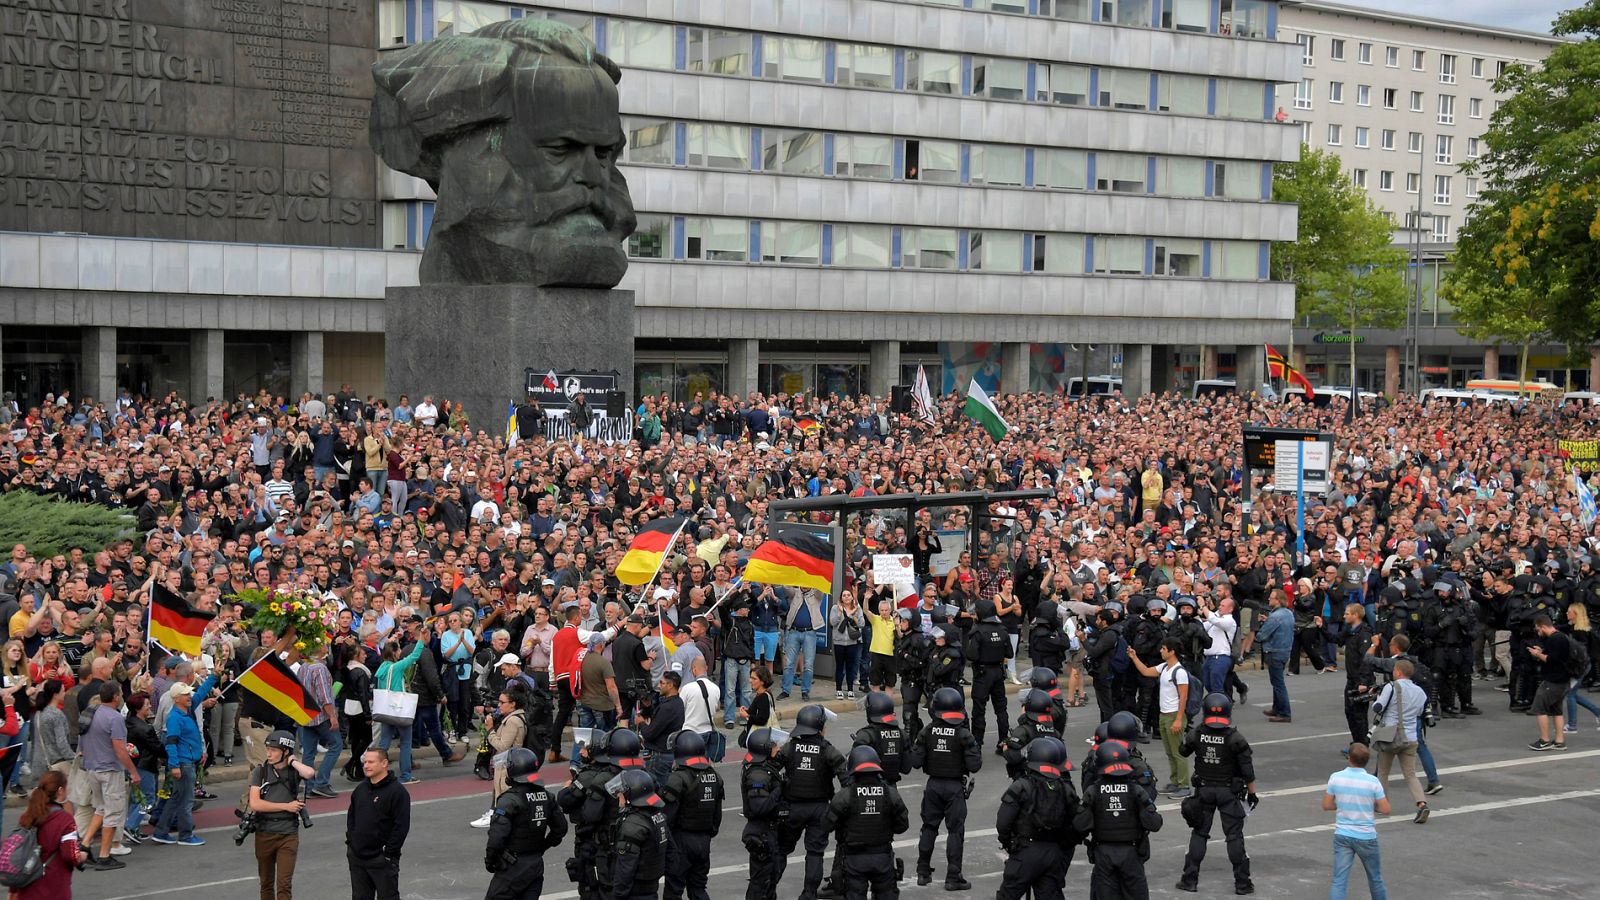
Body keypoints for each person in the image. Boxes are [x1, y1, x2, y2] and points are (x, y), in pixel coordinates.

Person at [1175, 693, 1256, 895]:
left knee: (1199, 834)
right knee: (1234, 837)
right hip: (1229, 792)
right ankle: (1242, 884)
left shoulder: (1197, 733)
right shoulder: (1235, 738)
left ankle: (1190, 880)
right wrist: (1252, 795)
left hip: (1204, 791)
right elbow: (1248, 772)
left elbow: (1183, 751)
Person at [908, 686, 981, 890]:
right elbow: (975, 765)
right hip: (954, 787)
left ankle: (923, 872)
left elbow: (915, 761)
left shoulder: (927, 731)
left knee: (929, 827)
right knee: (955, 832)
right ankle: (953, 877)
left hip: (933, 786)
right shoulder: (963, 733)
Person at [1072, 742, 1164, 900]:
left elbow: (1079, 825)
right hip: (1132, 853)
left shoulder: (1093, 791)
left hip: (1103, 854)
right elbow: (1154, 824)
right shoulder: (1136, 790)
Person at [777, 705, 847, 900]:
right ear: (819, 726)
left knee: (781, 850)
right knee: (815, 853)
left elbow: (771, 771)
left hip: (791, 808)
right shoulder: (828, 750)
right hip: (820, 809)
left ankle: (768, 888)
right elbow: (847, 780)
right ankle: (808, 894)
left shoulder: (789, 747)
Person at [995, 736, 1079, 900]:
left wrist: (1009, 843)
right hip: (1053, 853)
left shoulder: (1022, 786)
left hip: (1025, 851)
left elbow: (1003, 822)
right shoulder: (1065, 787)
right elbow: (1076, 823)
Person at [824, 746, 910, 900]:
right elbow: (902, 825)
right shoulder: (890, 793)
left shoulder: (844, 796)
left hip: (854, 859)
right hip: (882, 857)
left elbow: (826, 825)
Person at [483, 746, 566, 900]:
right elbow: (560, 829)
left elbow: (496, 838)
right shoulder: (547, 796)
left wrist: (491, 861)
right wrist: (541, 847)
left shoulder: (508, 800)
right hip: (535, 865)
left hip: (512, 867)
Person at [248, 729, 317, 900]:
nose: (269, 754)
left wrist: (293, 761)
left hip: (288, 834)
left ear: (285, 752)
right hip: (264, 833)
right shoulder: (261, 772)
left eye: (274, 750)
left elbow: (309, 773)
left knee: (284, 884)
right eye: (268, 749)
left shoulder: (294, 771)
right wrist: (286, 806)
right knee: (266, 883)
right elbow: (255, 803)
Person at [77, 679, 139, 868]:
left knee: (101, 809)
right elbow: (120, 749)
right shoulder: (115, 717)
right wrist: (133, 772)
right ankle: (104, 855)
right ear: (116, 697)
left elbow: (82, 745)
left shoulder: (90, 712)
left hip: (92, 768)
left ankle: (85, 844)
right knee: (112, 813)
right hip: (110, 770)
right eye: (120, 693)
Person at [661, 730, 723, 900]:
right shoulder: (714, 776)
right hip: (704, 841)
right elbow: (717, 816)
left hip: (681, 841)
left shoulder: (678, 778)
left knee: (674, 889)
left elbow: (668, 817)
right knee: (698, 888)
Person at [1323, 744, 1390, 900]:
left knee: (1339, 880)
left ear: (1349, 758)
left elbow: (1327, 805)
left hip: (1342, 834)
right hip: (1366, 836)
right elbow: (1386, 809)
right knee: (1375, 878)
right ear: (1366, 761)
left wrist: (1341, 804)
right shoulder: (1373, 782)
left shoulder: (1336, 777)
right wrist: (1370, 806)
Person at [1368, 659, 1431, 823]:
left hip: (1391, 735)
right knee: (1410, 774)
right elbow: (1419, 712)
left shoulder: (1391, 687)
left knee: (1383, 772)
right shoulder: (1420, 691)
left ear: (1397, 672)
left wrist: (1374, 698)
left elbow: (1378, 707)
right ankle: (1421, 804)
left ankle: (1383, 805)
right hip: (1411, 737)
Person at [1127, 637, 1191, 798]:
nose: (1161, 651)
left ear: (1172, 651)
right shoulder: (1164, 667)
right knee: (1170, 752)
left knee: (1178, 753)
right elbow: (1146, 672)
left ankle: (1184, 785)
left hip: (1173, 716)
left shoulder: (1180, 672)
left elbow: (1183, 697)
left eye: (1163, 648)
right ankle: (1175, 782)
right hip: (1164, 716)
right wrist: (1134, 657)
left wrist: (1178, 719)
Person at [346, 748, 411, 900]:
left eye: (371, 762)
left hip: (382, 860)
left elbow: (401, 826)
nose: (366, 766)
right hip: (357, 858)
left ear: (384, 764)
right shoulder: (360, 789)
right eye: (365, 762)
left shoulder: (397, 792)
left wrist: (388, 853)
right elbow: (352, 818)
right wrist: (351, 843)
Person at [150, 680, 207, 846]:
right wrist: (174, 765)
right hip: (184, 763)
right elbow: (171, 743)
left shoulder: (186, 710)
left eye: (189, 693)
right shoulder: (175, 717)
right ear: (176, 699)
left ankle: (161, 832)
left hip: (185, 762)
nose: (190, 696)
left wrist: (214, 676)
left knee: (176, 798)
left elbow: (201, 693)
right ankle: (185, 835)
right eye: (185, 694)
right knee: (186, 801)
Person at [15, 771, 86, 900]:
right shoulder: (65, 819)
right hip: (53, 885)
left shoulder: (27, 815)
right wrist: (82, 855)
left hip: (27, 885)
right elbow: (70, 855)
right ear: (60, 790)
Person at [740, 728, 788, 900]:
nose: (778, 748)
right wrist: (779, 789)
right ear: (765, 748)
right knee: (761, 883)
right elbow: (760, 807)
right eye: (774, 745)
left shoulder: (765, 768)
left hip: (769, 831)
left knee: (771, 879)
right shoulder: (758, 775)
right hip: (761, 832)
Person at [472, 688, 531, 828]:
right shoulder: (517, 717)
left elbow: (503, 746)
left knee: (505, 798)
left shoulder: (513, 721)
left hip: (507, 766)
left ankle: (500, 821)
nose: (499, 705)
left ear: (513, 704)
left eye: (502, 702)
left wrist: (490, 731)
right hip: (509, 764)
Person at [610, 769, 670, 900]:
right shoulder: (658, 816)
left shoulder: (633, 826)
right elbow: (672, 853)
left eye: (622, 792)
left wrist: (618, 895)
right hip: (651, 886)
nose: (619, 795)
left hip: (635, 890)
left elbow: (626, 869)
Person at [296, 642, 343, 799]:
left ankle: (309, 786)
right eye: (325, 644)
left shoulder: (304, 666)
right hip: (320, 716)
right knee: (336, 745)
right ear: (321, 649)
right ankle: (321, 783)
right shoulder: (320, 668)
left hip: (306, 715)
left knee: (308, 753)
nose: (327, 646)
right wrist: (332, 716)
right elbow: (324, 697)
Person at [964, 599, 1011, 751]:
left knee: (979, 709)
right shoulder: (1002, 630)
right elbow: (1009, 653)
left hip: (983, 674)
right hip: (998, 672)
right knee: (1001, 709)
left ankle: (977, 742)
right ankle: (1003, 740)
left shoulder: (978, 631)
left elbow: (971, 655)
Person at [1527, 613, 1573, 751]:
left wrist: (1537, 654)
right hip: (1564, 680)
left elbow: (1551, 660)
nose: (1538, 632)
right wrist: (1542, 651)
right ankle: (1559, 741)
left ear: (1542, 626)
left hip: (1553, 681)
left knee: (1540, 708)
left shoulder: (1554, 639)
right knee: (1556, 710)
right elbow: (1557, 655)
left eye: (1538, 629)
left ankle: (1544, 740)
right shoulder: (1561, 636)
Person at [1254, 589, 1295, 723]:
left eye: (1271, 598)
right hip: (1285, 650)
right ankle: (1277, 708)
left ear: (1278, 600)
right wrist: (1268, 621)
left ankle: (1284, 713)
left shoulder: (1275, 616)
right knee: (1277, 681)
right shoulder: (1288, 613)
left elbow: (1262, 635)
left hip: (1275, 651)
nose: (1269, 600)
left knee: (1278, 684)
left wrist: (1263, 625)